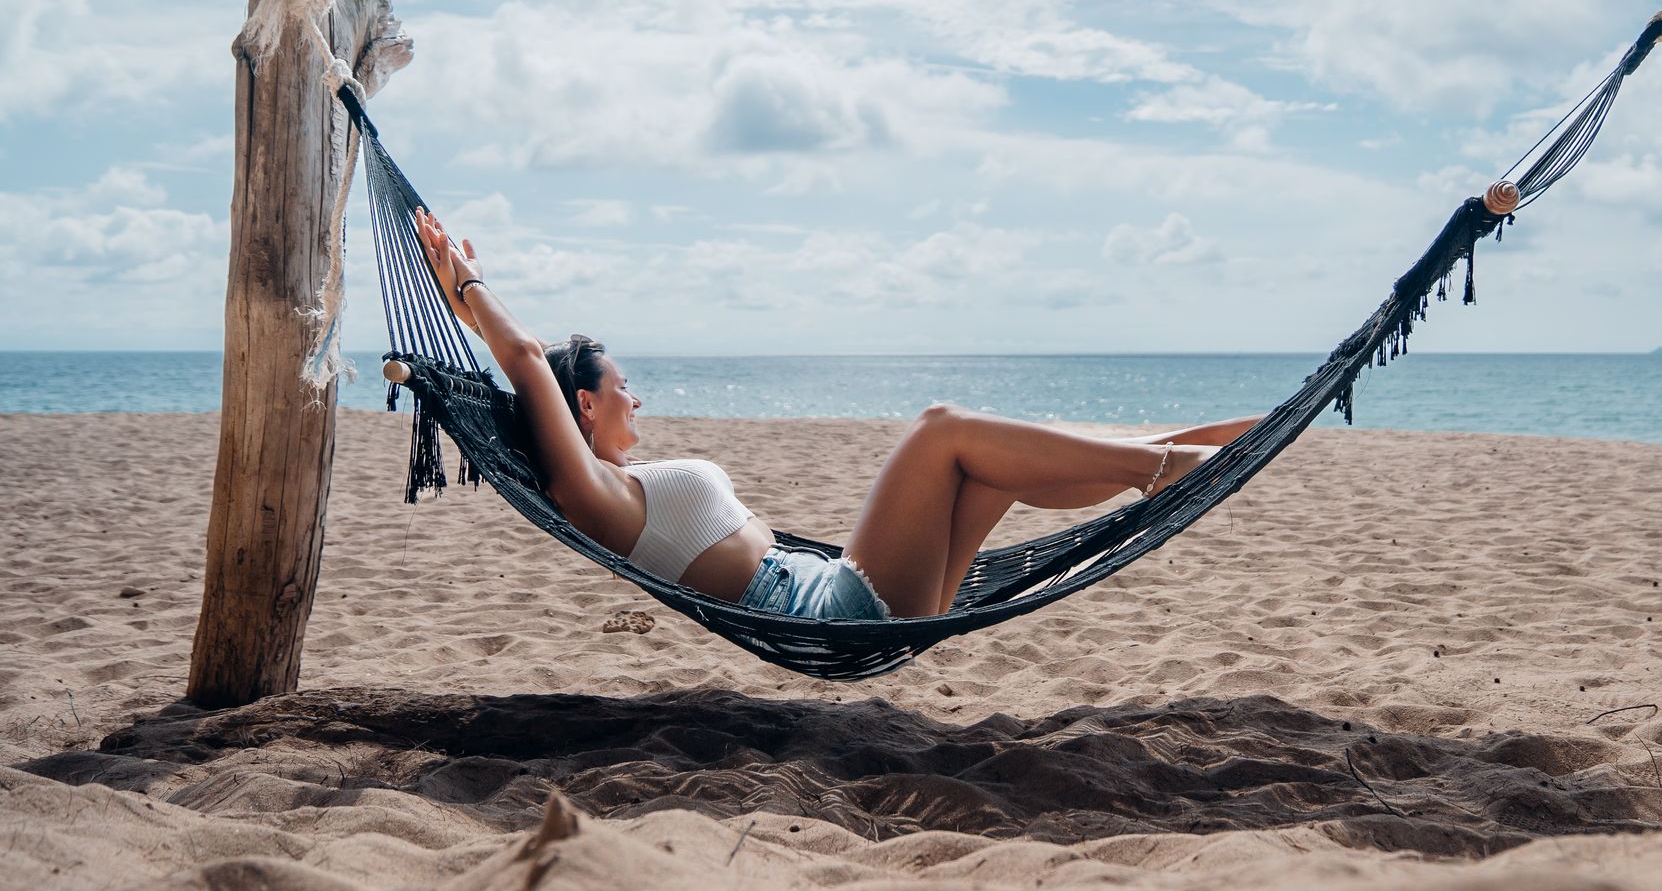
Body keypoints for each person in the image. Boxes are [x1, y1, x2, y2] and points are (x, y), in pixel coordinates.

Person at [415, 209, 1256, 622]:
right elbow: (528, 363)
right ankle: (1160, 464)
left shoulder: (620, 481)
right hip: (837, 610)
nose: (638, 398)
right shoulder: (593, 493)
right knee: (942, 428)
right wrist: (465, 285)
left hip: (848, 594)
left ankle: (1169, 451)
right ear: (586, 404)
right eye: (624, 385)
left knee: (993, 470)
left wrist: (465, 303)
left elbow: (529, 371)